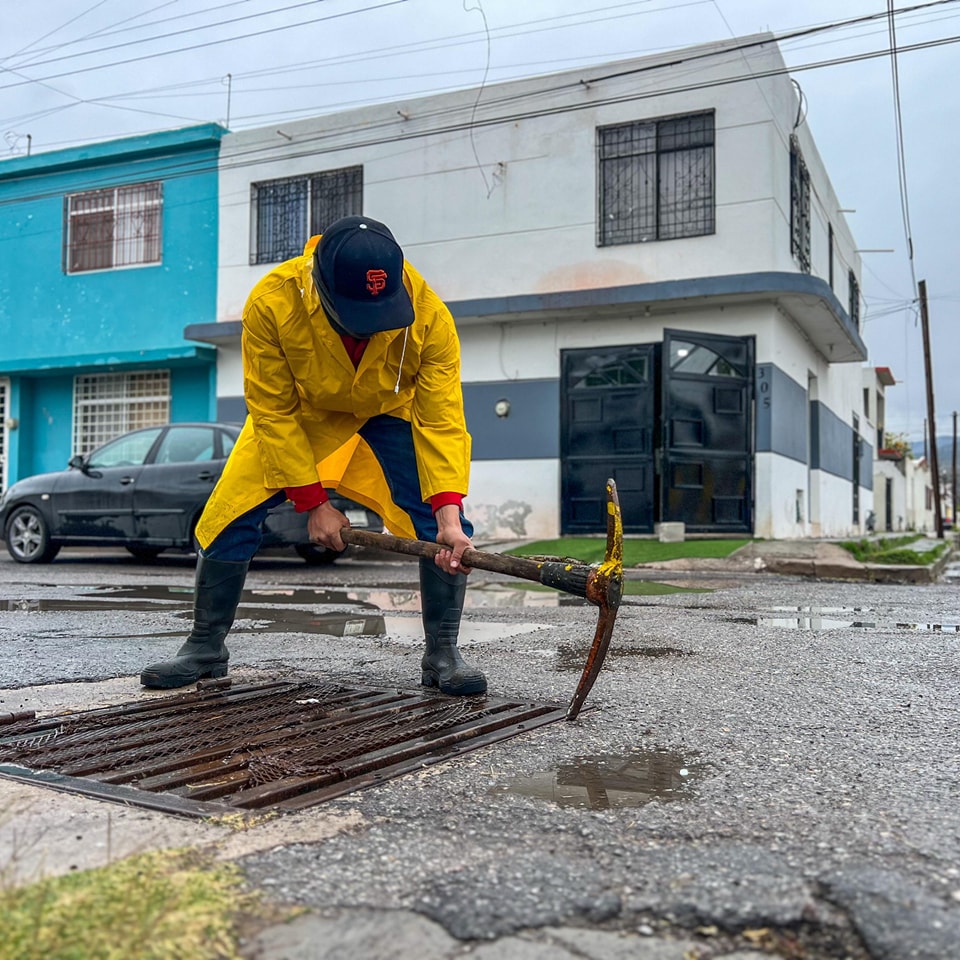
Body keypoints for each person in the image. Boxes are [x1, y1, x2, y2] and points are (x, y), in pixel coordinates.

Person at [140, 216, 486, 697]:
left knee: (444, 528)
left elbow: (441, 420)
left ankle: (443, 654)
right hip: (301, 415)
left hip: (389, 412)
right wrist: (313, 503)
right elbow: (272, 412)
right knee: (226, 516)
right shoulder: (272, 303)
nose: (368, 333)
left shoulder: (429, 316)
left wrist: (449, 513)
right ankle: (204, 648)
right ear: (320, 288)